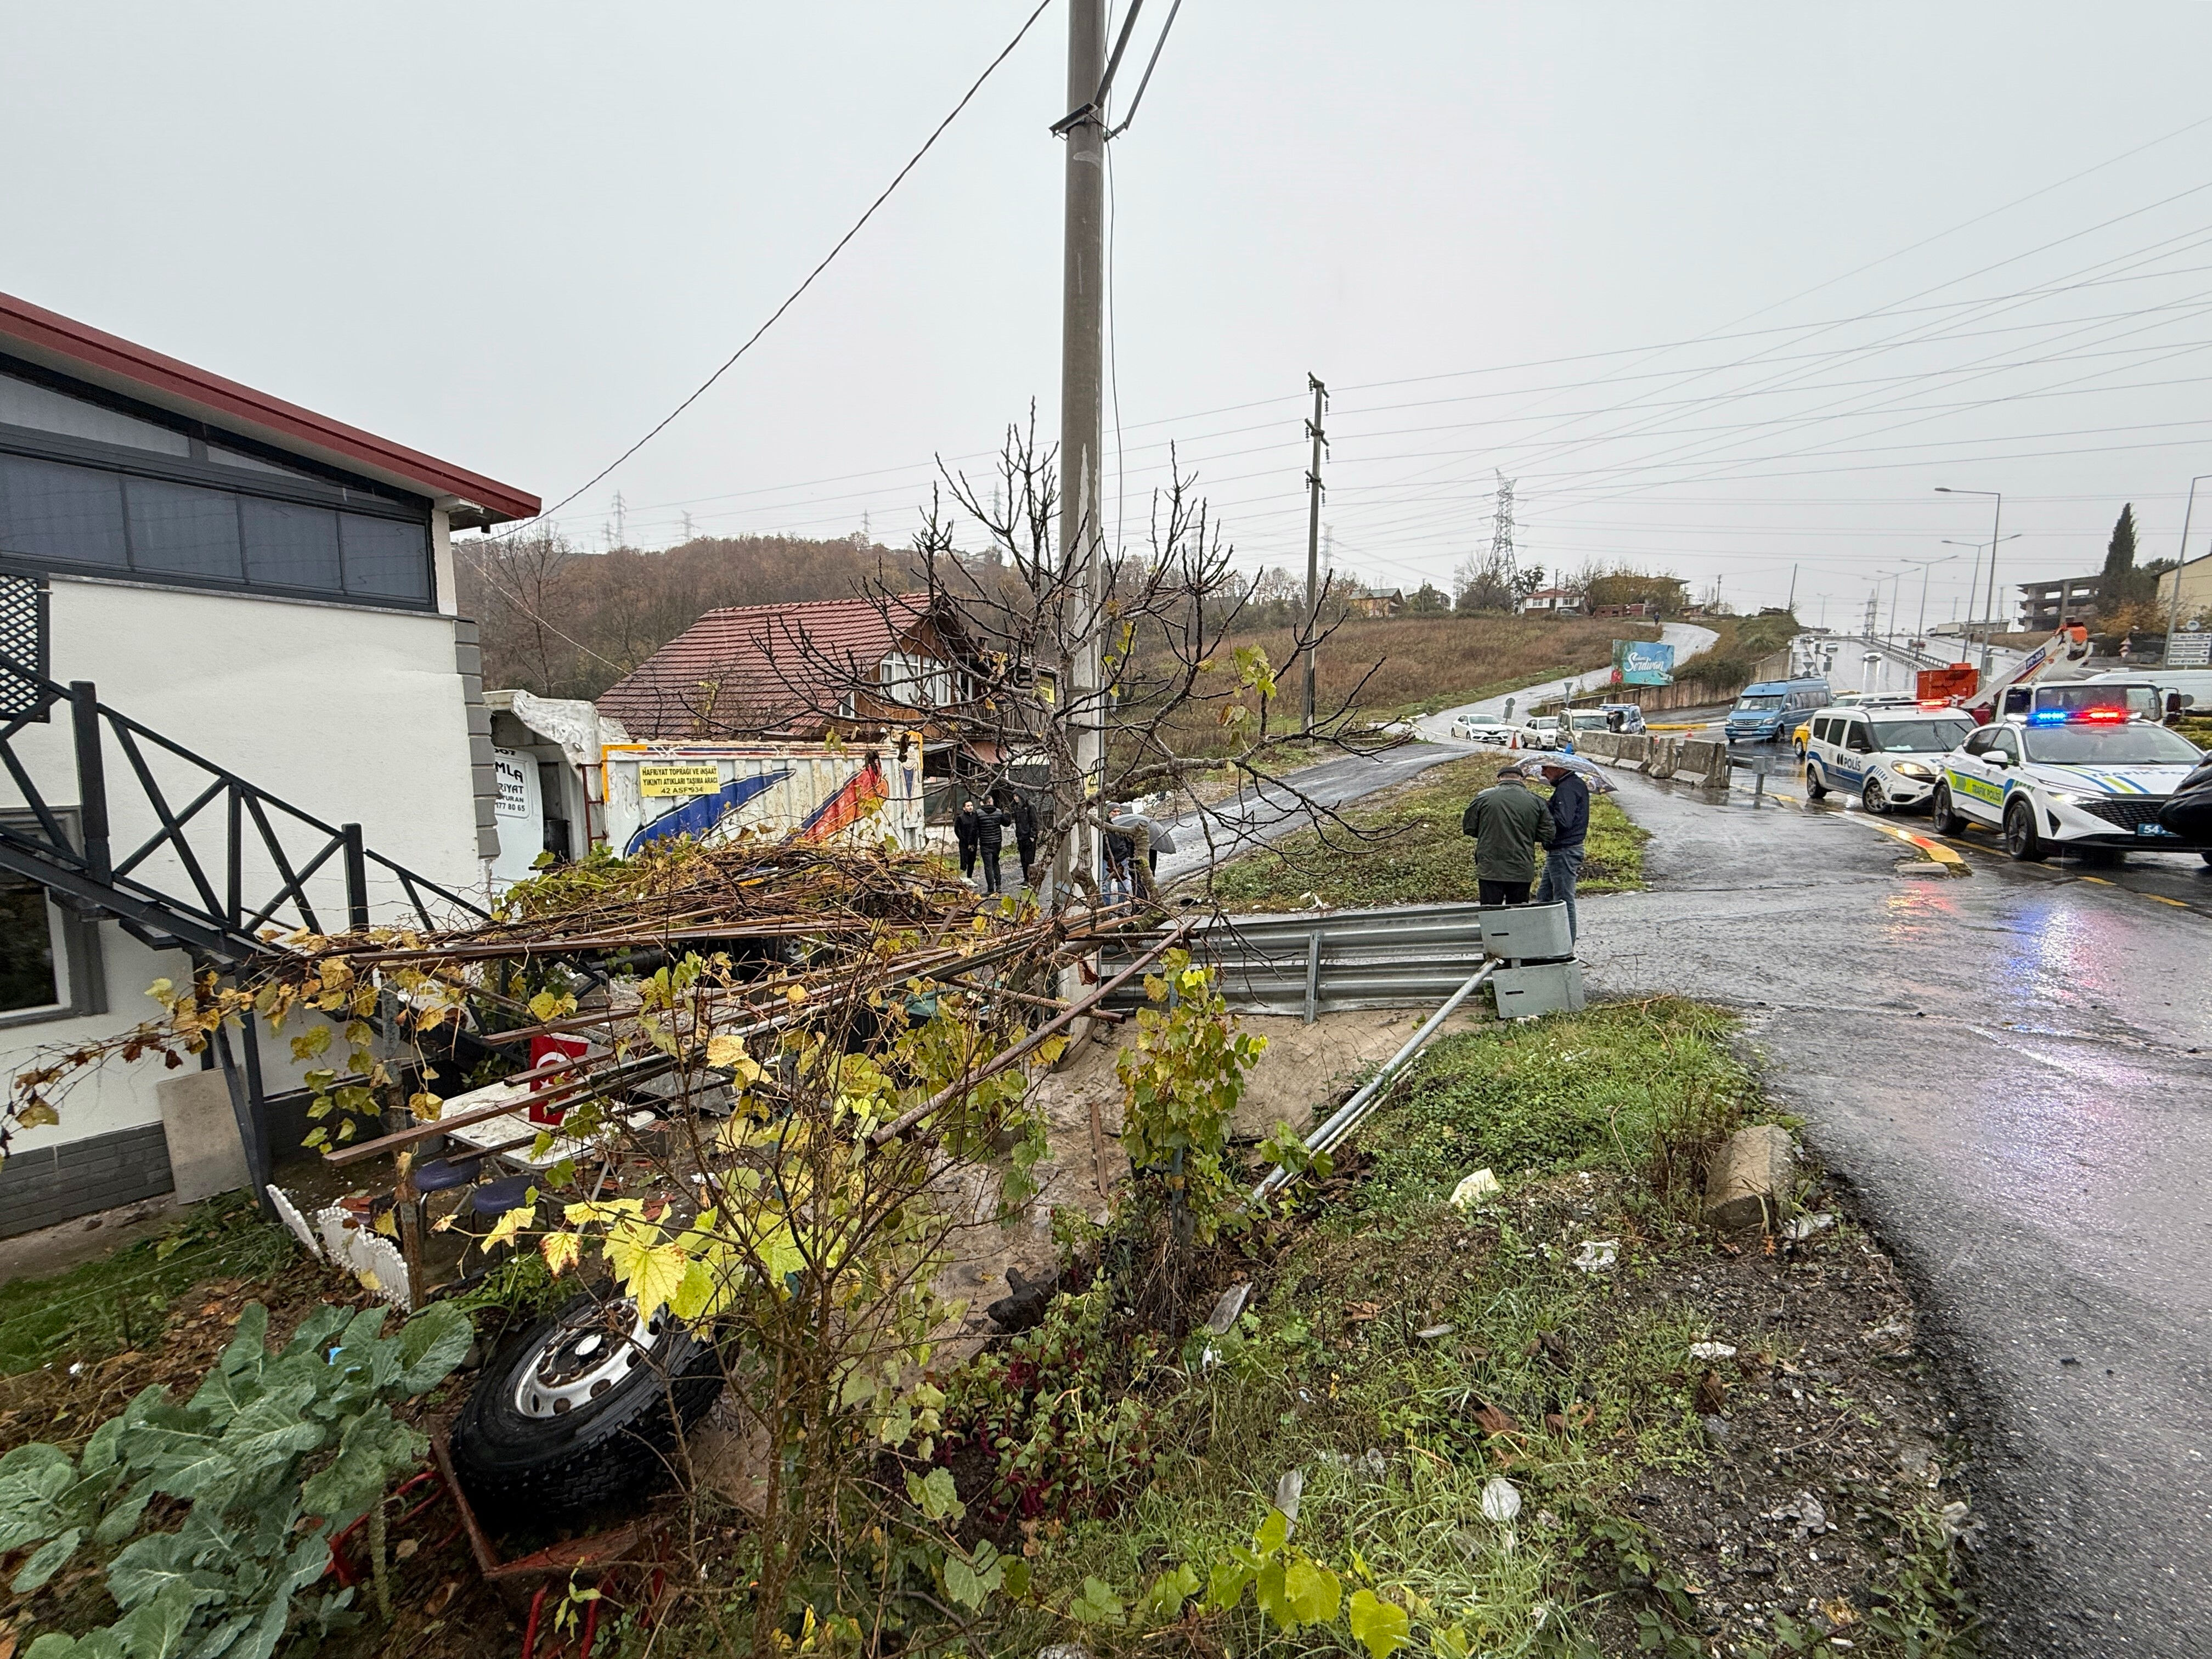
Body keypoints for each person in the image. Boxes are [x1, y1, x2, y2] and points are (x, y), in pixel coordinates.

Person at [1461, 764, 1550, 905]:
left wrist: (1489, 833)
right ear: (1521, 779)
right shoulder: (1537, 801)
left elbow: (1469, 827)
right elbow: (1548, 833)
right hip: (1521, 866)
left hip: (1490, 867)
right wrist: (1526, 835)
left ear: (1498, 779)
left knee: (1491, 911)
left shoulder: (1483, 797)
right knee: (1517, 912)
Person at [1533, 758, 1590, 941]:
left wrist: (1545, 808)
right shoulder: (1572, 785)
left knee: (1563, 900)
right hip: (1562, 850)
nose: (1543, 773)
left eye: (1545, 768)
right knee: (1544, 896)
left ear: (1559, 768)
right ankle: (1549, 942)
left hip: (1564, 851)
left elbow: (1563, 822)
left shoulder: (1567, 788)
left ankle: (1566, 946)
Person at [975, 797, 1009, 895]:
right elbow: (1006, 823)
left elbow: (975, 828)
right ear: (990, 802)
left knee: (988, 866)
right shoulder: (998, 812)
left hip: (985, 843)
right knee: (996, 863)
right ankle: (999, 885)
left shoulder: (978, 814)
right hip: (997, 843)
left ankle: (990, 889)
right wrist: (1006, 814)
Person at [1009, 793, 1038, 884]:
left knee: (1029, 860)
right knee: (1023, 860)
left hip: (1029, 837)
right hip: (1021, 837)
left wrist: (1033, 835)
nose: (1015, 798)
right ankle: (1026, 879)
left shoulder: (1030, 806)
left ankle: (1031, 880)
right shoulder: (1017, 807)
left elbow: (1034, 821)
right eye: (1014, 796)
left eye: (1017, 796)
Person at [952, 798, 980, 881]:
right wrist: (963, 839)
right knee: (964, 860)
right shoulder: (960, 818)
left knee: (972, 860)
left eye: (971, 805)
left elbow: (978, 828)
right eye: (968, 806)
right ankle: (963, 877)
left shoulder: (976, 816)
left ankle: (970, 877)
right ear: (964, 808)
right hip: (964, 843)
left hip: (974, 842)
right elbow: (957, 830)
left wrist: (976, 839)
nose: (970, 807)